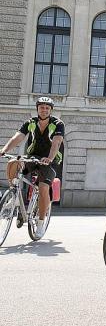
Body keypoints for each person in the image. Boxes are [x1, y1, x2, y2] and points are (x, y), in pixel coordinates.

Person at [0, 96, 64, 237]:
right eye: (41, 107)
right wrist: (4, 150)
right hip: (32, 156)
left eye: (47, 108)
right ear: (37, 109)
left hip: (50, 161)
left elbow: (56, 143)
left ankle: (40, 224)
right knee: (12, 163)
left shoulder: (58, 124)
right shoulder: (31, 122)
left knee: (42, 189)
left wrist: (50, 158)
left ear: (51, 110)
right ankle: (13, 193)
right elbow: (17, 137)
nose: (44, 110)